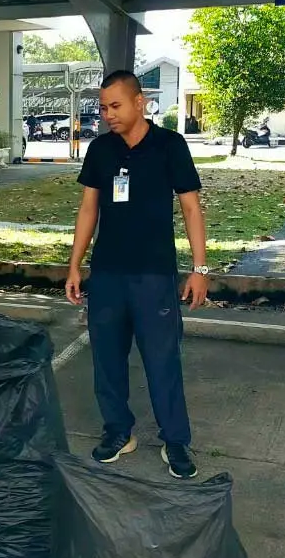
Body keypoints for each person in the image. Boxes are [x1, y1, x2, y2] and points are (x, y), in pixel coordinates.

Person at [65, 69, 210, 480]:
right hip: (107, 275)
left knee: (162, 362)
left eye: (115, 106)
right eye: (103, 108)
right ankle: (118, 431)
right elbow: (88, 209)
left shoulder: (169, 146)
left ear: (139, 102)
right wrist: (75, 265)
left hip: (153, 276)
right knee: (107, 360)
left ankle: (175, 440)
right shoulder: (100, 150)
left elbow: (191, 208)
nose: (108, 114)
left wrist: (200, 268)